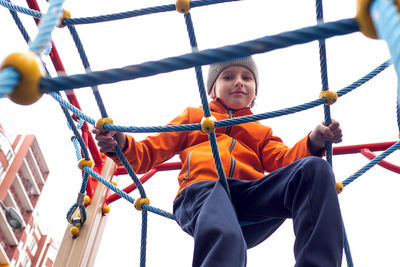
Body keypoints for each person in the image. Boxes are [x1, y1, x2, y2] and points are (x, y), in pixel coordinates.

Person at [92, 57, 344, 267]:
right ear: (212, 89)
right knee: (226, 236)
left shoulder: (260, 130)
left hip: (247, 199)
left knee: (315, 169)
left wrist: (313, 141)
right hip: (201, 194)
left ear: (255, 92)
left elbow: (285, 162)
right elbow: (147, 155)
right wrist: (121, 143)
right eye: (227, 76)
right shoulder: (194, 117)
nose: (238, 82)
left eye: (247, 78)